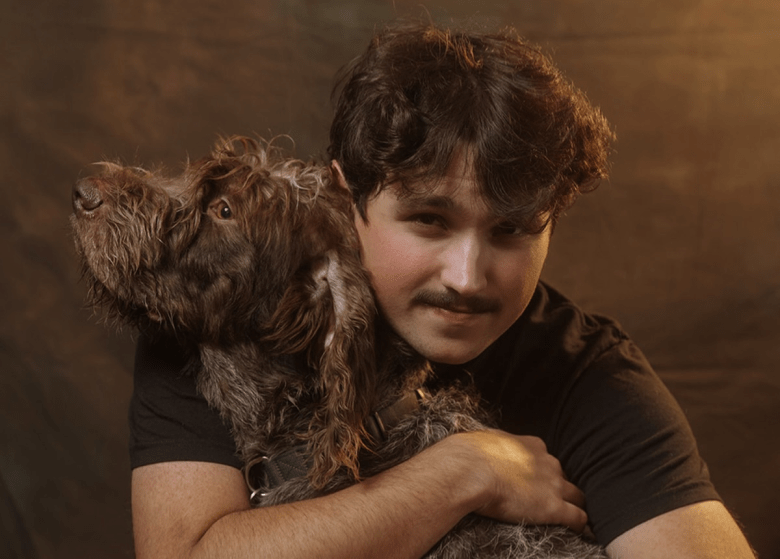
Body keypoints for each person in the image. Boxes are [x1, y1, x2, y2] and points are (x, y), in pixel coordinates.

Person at [129, 22, 755, 558]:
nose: (466, 277)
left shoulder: (587, 370)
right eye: (430, 220)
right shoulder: (227, 318)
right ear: (344, 199)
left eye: (511, 230)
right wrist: (465, 471)